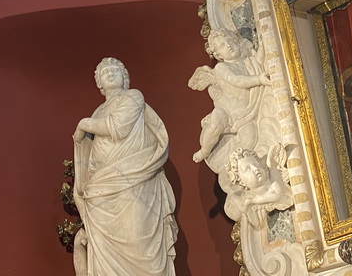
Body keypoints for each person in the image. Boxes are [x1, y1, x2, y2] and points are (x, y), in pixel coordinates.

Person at [73, 58, 177, 276]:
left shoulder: (133, 97)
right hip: (100, 189)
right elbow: (91, 158)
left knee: (139, 238)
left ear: (125, 77)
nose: (110, 73)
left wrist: (83, 124)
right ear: (99, 84)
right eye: (104, 72)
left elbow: (118, 127)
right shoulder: (98, 111)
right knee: (102, 258)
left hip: (135, 179)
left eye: (115, 69)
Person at [189, 28, 268, 164]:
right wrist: (259, 80)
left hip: (247, 113)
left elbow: (259, 62)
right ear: (218, 54)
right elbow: (237, 80)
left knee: (251, 139)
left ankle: (236, 167)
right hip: (227, 111)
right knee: (215, 126)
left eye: (230, 41)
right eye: (222, 46)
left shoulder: (248, 60)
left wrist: (264, 43)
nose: (229, 46)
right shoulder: (221, 68)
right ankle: (205, 150)